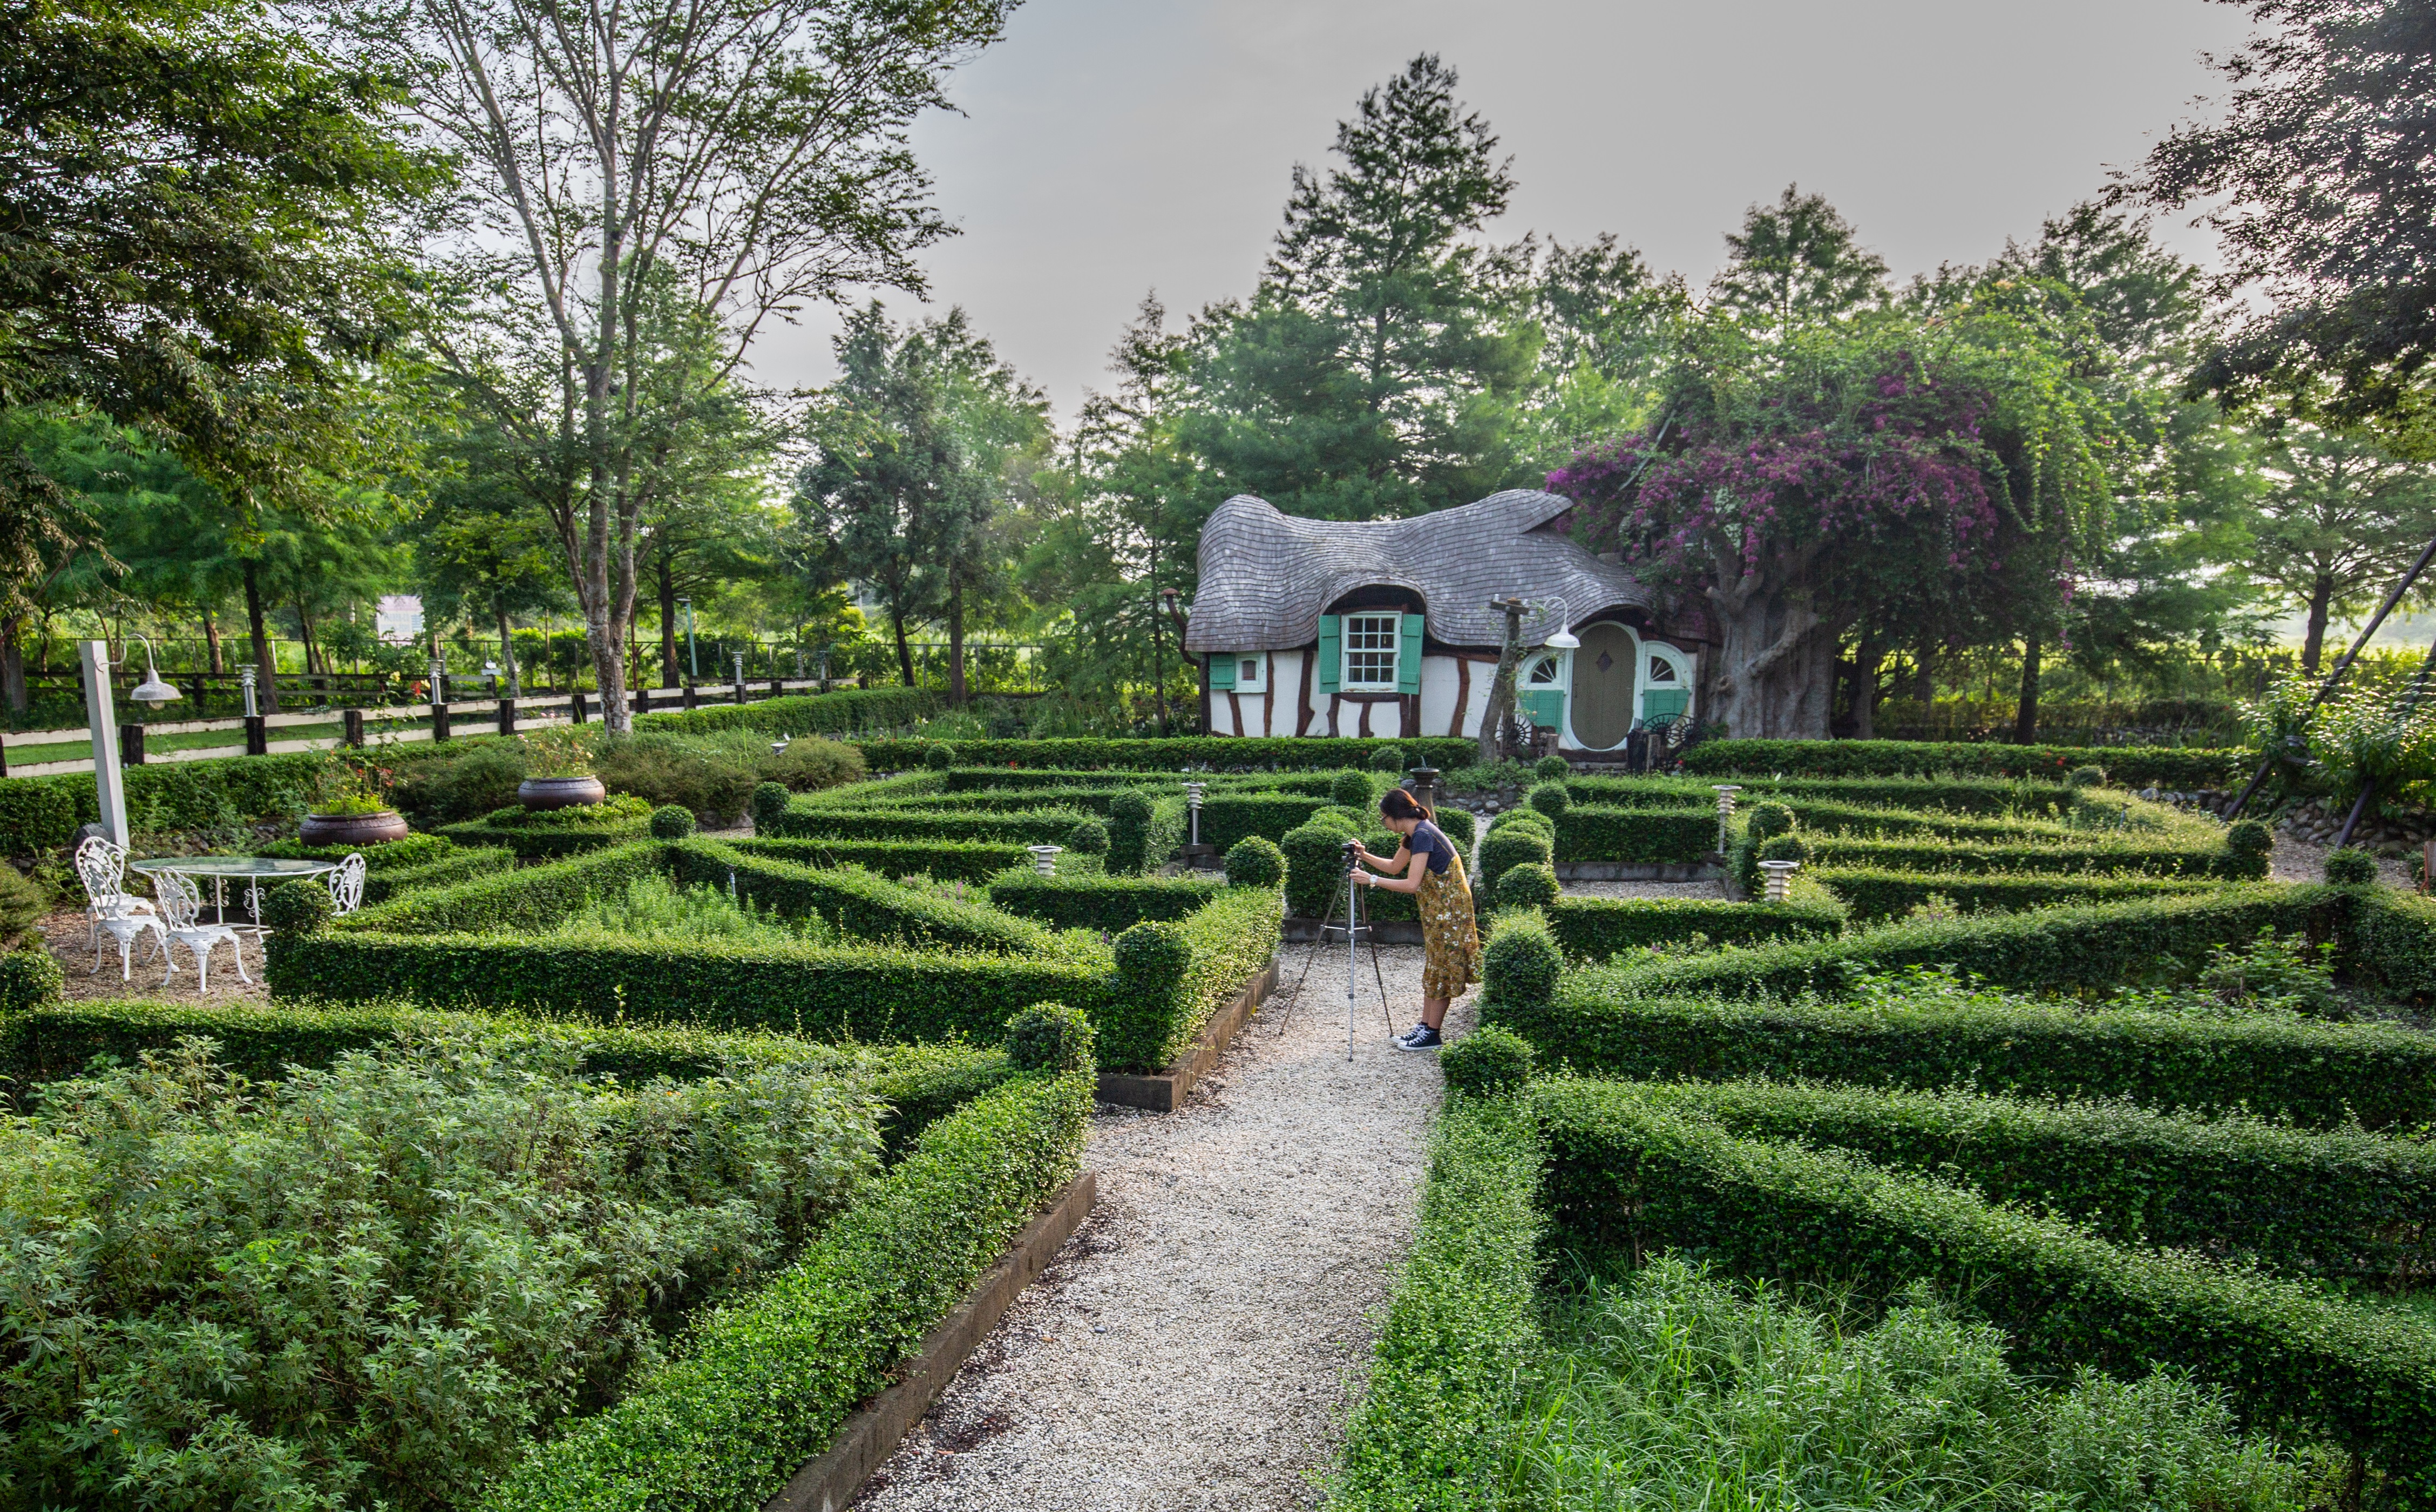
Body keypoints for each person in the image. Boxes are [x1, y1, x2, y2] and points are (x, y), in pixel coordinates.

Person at [1352, 786, 1481, 1050]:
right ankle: (1425, 1026)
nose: (1383, 823)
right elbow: (1395, 867)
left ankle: (1433, 1033)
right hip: (1439, 912)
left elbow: (1411, 884)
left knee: (1443, 969)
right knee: (1435, 967)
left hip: (1449, 913)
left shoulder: (1422, 834)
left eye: (1383, 818)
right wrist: (1363, 855)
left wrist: (1371, 880)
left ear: (1396, 816)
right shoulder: (1417, 832)